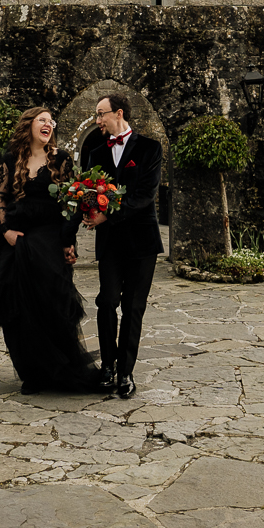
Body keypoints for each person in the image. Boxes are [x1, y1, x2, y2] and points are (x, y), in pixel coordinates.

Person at [0, 105, 102, 394]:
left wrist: (70, 242)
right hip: (17, 243)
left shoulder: (61, 160)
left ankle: (60, 371)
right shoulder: (11, 160)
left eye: (50, 121)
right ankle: (32, 374)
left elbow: (71, 204)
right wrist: (5, 231)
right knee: (20, 311)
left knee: (53, 305)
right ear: (29, 125)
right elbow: (0, 198)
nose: (48, 124)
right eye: (42, 120)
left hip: (49, 243)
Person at [78, 93, 163, 399]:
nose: (97, 120)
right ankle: (108, 368)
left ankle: (126, 372)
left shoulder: (150, 148)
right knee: (106, 301)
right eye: (97, 115)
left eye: (101, 114)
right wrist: (87, 211)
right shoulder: (96, 153)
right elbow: (88, 192)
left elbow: (144, 195)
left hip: (142, 242)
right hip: (111, 244)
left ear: (119, 113)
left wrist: (106, 216)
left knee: (133, 307)